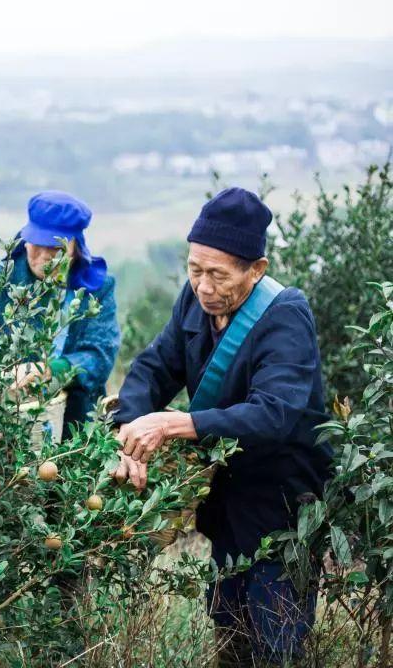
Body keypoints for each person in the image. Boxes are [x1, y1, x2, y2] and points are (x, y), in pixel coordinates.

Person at [113, 187, 333, 666]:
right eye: (195, 270)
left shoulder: (285, 316)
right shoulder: (194, 302)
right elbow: (154, 367)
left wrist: (179, 424)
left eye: (218, 274)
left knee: (278, 639)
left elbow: (275, 411)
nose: (204, 286)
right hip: (227, 501)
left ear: (257, 269)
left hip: (281, 504)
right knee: (229, 627)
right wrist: (130, 428)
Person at [0, 191, 121, 436]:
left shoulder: (96, 289)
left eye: (55, 248)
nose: (44, 257)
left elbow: (99, 355)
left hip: (73, 421)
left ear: (75, 246)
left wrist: (50, 369)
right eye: (36, 245)